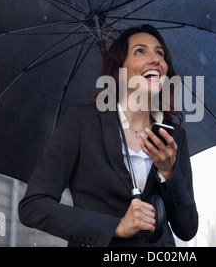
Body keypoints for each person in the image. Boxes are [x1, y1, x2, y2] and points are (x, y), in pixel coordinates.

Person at [18, 24, 198, 247]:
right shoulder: (81, 123)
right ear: (119, 72)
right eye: (140, 51)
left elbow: (187, 228)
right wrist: (116, 226)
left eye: (160, 53)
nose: (155, 59)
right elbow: (34, 206)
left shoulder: (174, 137)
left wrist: (169, 172)